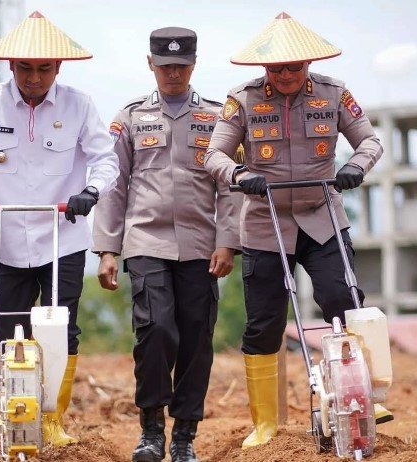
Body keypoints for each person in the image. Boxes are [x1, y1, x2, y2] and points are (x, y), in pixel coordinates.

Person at [202, 12, 388, 449]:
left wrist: (355, 168)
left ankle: (364, 397)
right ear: (263, 69)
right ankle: (265, 423)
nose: (285, 75)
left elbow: (371, 141)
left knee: (344, 302)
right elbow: (213, 155)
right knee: (264, 323)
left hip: (321, 216)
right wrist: (238, 174)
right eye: (275, 68)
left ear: (307, 64)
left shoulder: (334, 93)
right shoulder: (241, 99)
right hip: (265, 223)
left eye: (293, 67)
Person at [0, 11, 119, 446]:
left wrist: (91, 193)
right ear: (11, 66)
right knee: (8, 329)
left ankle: (53, 417)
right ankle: (10, 407)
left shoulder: (80, 105)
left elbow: (106, 159)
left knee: (59, 328)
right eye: (25, 68)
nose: (34, 78)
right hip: (3, 236)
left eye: (43, 68)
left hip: (63, 234)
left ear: (59, 67)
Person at [92, 27, 240, 462]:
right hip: (145, 241)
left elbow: (229, 187)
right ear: (150, 64)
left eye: (181, 66)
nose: (172, 73)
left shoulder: (216, 118)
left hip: (201, 244)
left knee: (196, 338)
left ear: (193, 65)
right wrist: (107, 249)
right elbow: (113, 186)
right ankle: (151, 430)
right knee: (156, 329)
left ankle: (184, 438)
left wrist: (228, 241)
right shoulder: (131, 117)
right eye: (165, 66)